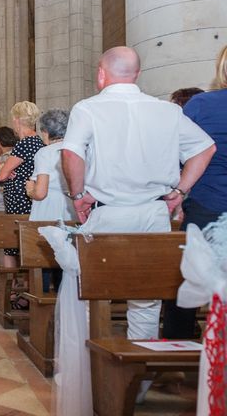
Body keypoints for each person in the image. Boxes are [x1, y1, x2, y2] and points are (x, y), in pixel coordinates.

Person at [61, 47, 214, 368]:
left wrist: (78, 195)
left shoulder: (88, 109)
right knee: (146, 302)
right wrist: (179, 191)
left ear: (101, 74)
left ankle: (93, 371)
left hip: (109, 212)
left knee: (90, 295)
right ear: (138, 74)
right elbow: (204, 148)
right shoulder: (168, 111)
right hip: (154, 215)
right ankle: (137, 377)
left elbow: (72, 153)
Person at [162, 46, 227, 340]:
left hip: (207, 207)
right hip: (207, 203)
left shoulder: (201, 105)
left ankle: (177, 349)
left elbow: (174, 156)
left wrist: (178, 191)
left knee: (182, 283)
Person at [25, 109, 75, 292]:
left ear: (46, 132)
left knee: (45, 256)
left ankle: (42, 294)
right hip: (70, 208)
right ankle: (65, 296)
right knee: (67, 256)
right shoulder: (76, 150)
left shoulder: (44, 153)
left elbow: (41, 193)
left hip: (47, 209)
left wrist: (30, 189)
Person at [0, 101, 45, 267]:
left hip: (19, 199)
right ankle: (27, 284)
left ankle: (11, 289)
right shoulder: (39, 142)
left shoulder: (24, 144)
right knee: (28, 244)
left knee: (12, 245)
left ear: (17, 120)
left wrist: (6, 171)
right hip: (31, 198)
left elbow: (2, 175)